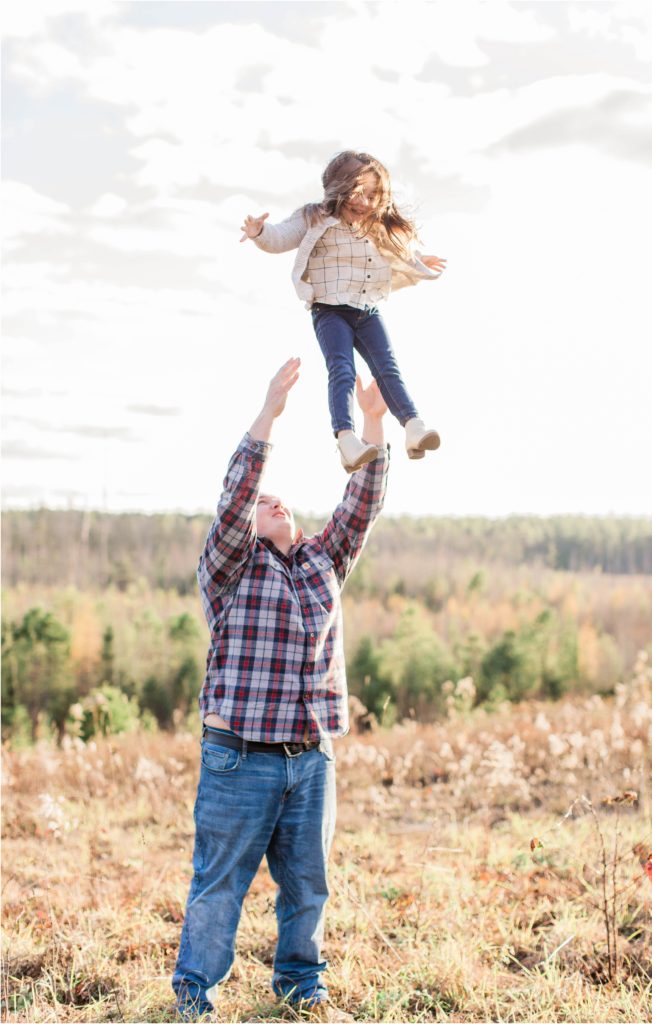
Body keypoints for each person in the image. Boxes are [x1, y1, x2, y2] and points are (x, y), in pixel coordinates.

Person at [172, 358, 389, 1021]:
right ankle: (194, 1000)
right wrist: (269, 412)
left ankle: (301, 988)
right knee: (219, 885)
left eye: (278, 499)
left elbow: (364, 499)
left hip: (311, 758)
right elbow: (237, 494)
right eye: (262, 505)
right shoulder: (229, 567)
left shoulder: (327, 559)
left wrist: (374, 422)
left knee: (307, 885)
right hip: (239, 756)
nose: (271, 501)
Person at [240, 150, 447, 473]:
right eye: (357, 193)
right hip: (329, 310)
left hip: (367, 309)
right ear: (338, 188)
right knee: (342, 369)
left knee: (388, 368)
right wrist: (259, 233)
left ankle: (413, 427)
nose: (364, 202)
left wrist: (420, 260)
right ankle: (347, 439)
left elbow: (398, 252)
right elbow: (280, 237)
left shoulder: (375, 226)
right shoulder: (313, 217)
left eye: (373, 195)